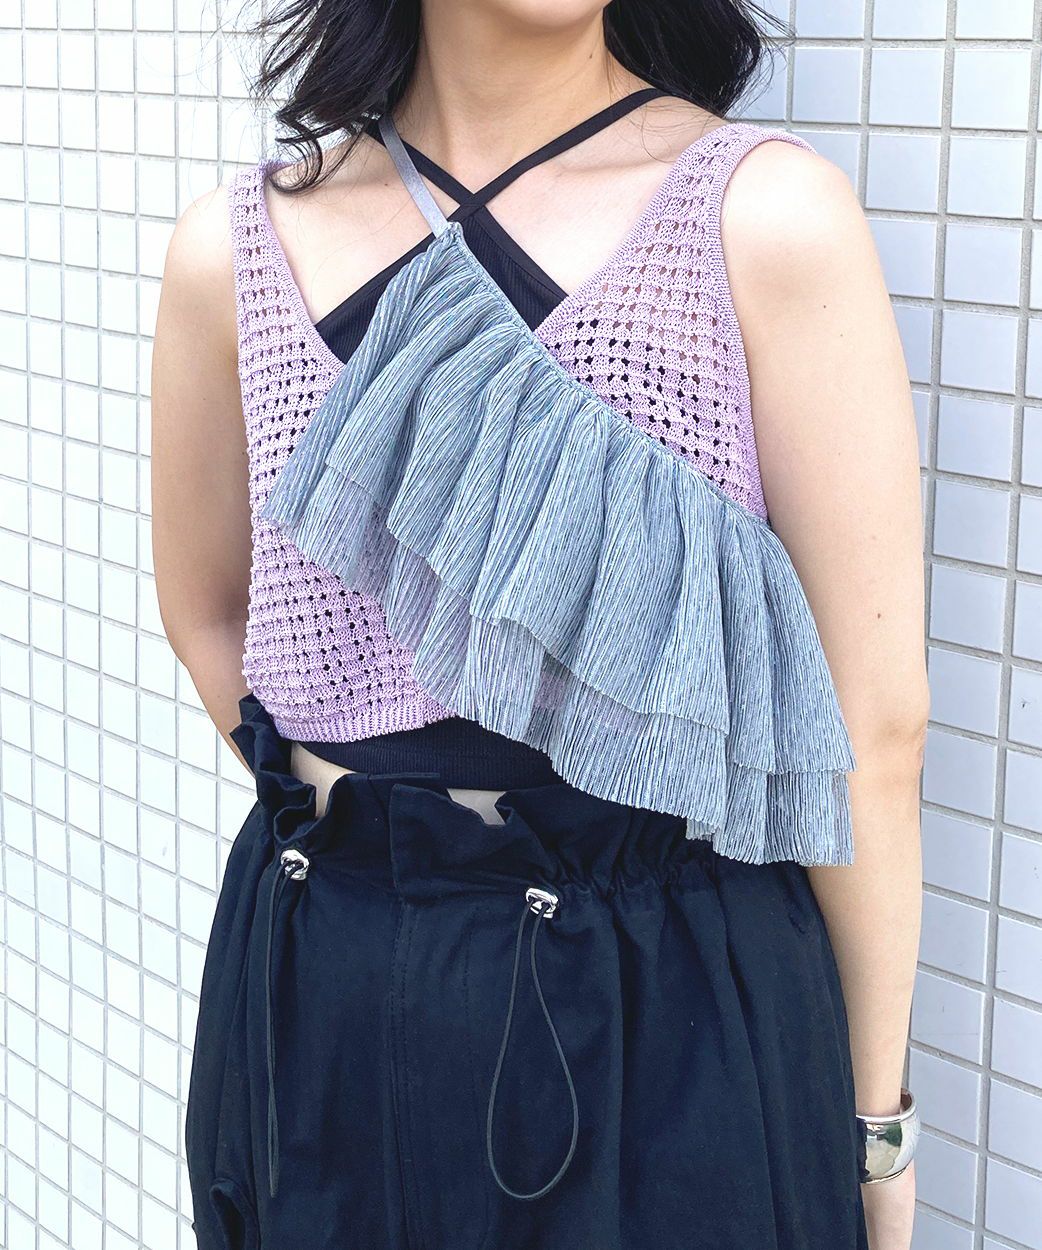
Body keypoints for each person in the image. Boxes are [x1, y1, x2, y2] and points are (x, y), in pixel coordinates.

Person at [151, 2, 927, 1247]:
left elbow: (871, 734)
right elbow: (211, 615)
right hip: (325, 979)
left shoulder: (759, 213)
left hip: (669, 991)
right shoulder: (234, 247)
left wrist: (873, 1126)